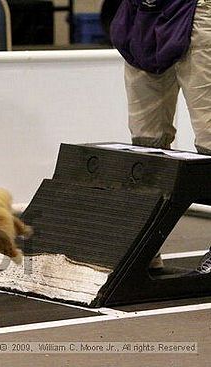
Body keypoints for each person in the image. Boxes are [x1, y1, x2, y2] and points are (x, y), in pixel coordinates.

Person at [107, 0, 211, 273]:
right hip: (141, 15)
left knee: (209, 137)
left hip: (198, 11)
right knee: (146, 141)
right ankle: (146, 247)